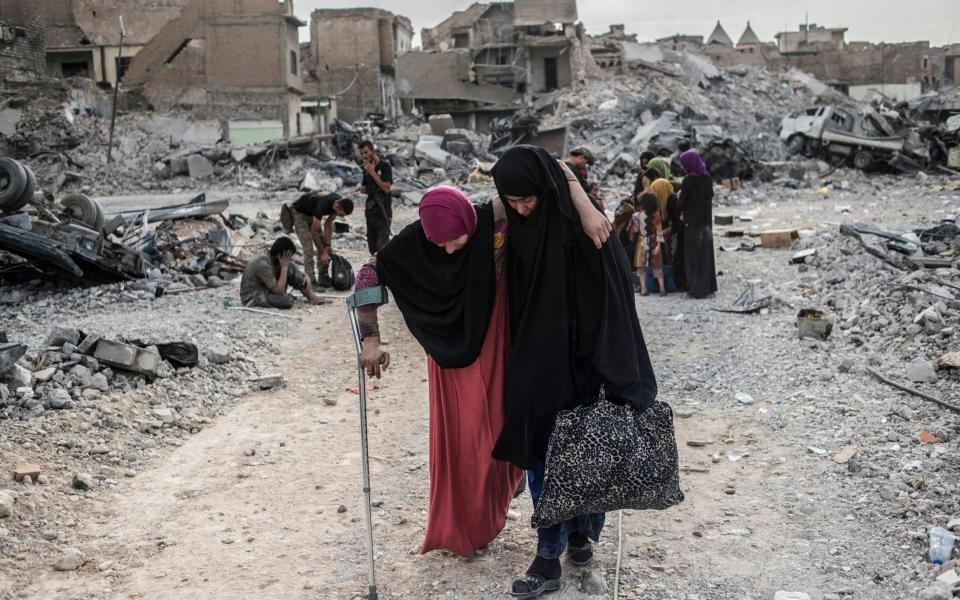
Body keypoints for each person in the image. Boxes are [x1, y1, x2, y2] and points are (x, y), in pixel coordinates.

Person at [492, 145, 658, 598]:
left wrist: (611, 365)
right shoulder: (520, 225)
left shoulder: (587, 228)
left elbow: (615, 296)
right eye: (514, 201)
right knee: (543, 454)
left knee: (589, 452)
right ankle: (547, 557)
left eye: (529, 199)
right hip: (538, 360)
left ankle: (583, 537)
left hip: (586, 362)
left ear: (546, 191)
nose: (522, 208)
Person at [354, 186, 522, 558]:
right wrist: (371, 338)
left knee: (500, 432)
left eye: (454, 240)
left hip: (494, 341)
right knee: (465, 443)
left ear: (466, 219)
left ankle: (502, 495)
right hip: (449, 357)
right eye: (439, 243)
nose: (447, 250)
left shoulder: (489, 218)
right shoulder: (417, 241)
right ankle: (465, 526)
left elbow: (538, 177)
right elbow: (368, 274)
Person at [239, 237, 329, 309]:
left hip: (267, 289)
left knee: (289, 267)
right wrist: (284, 267)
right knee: (287, 301)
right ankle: (288, 297)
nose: (290, 259)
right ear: (279, 256)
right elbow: (278, 291)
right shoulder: (263, 264)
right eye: (288, 256)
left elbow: (291, 267)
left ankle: (311, 297)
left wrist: (304, 276)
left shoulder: (274, 258)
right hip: (254, 297)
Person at [290, 192, 354, 287]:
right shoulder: (322, 205)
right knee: (308, 247)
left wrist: (327, 245)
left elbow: (328, 224)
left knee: (324, 246)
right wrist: (322, 252)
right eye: (339, 214)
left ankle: (323, 277)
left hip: (311, 213)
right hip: (299, 213)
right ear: (337, 205)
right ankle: (310, 280)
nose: (339, 215)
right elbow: (313, 232)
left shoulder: (338, 203)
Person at [678, 149, 718, 298]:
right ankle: (709, 288)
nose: (683, 167)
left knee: (693, 257)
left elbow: (681, 204)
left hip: (692, 225)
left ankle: (696, 290)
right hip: (706, 223)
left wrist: (678, 198)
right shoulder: (707, 178)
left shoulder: (689, 181)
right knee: (706, 255)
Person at [358, 141, 393, 255]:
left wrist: (373, 172)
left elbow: (386, 188)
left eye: (366, 152)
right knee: (372, 249)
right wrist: (364, 189)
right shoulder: (366, 168)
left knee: (382, 250)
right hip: (371, 212)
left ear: (373, 151)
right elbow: (369, 187)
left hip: (383, 212)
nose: (364, 156)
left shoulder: (384, 166)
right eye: (362, 154)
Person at [651, 178, 685, 292]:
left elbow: (679, 223)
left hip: (683, 236)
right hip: (680, 234)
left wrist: (668, 231)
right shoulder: (668, 200)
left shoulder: (672, 202)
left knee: (679, 260)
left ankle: (680, 285)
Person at [631, 192, 666, 297]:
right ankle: (662, 289)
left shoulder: (636, 216)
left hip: (641, 242)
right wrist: (658, 246)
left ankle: (643, 289)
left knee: (641, 267)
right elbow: (659, 232)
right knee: (657, 266)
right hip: (654, 242)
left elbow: (635, 230)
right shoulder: (657, 216)